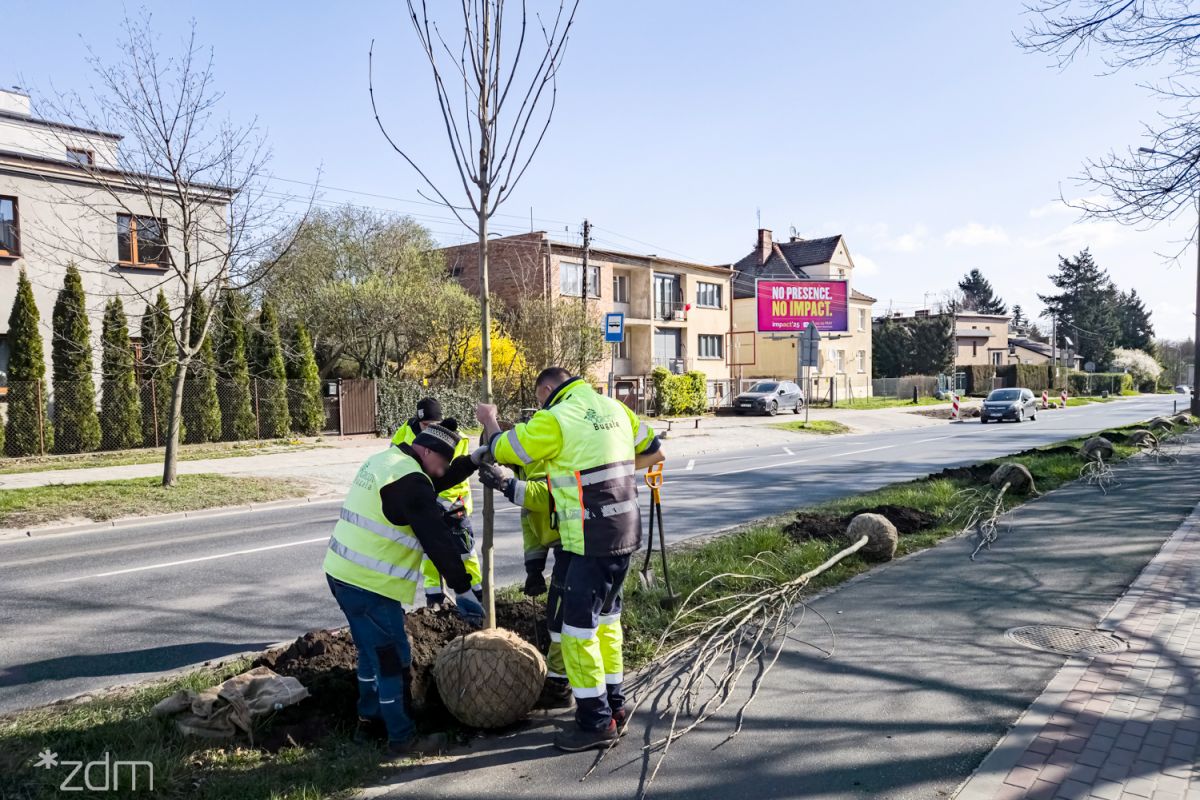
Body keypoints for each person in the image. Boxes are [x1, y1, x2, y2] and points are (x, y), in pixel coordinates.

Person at [477, 367, 664, 752]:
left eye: (539, 398)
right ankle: (615, 705)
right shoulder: (615, 408)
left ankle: (595, 722)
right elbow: (655, 451)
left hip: (588, 538)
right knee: (608, 623)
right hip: (624, 533)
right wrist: (614, 471)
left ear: (547, 389)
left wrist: (489, 420)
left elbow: (505, 448)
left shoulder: (557, 418)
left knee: (578, 632)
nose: (540, 406)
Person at [324, 421, 486, 757]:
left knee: (369, 653)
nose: (441, 471)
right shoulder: (412, 483)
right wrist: (463, 589)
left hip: (341, 573)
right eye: (440, 462)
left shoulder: (388, 461)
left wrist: (472, 461)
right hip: (369, 585)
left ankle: (367, 724)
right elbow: (437, 541)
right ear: (425, 451)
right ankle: (402, 739)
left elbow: (433, 480)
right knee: (394, 659)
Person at [478, 422, 573, 709]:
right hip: (564, 546)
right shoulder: (521, 470)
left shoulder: (537, 461)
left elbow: (545, 496)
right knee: (560, 617)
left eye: (497, 458)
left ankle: (559, 685)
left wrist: (507, 485)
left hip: (577, 545)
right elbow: (530, 523)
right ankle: (567, 680)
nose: (497, 465)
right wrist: (534, 568)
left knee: (561, 619)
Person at [391, 398, 484, 608]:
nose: (428, 429)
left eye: (433, 424)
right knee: (429, 549)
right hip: (423, 498)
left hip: (454, 501)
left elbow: (447, 473)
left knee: (464, 550)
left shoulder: (453, 437)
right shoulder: (404, 433)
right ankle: (434, 597)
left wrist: (442, 501)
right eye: (425, 425)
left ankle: (477, 592)